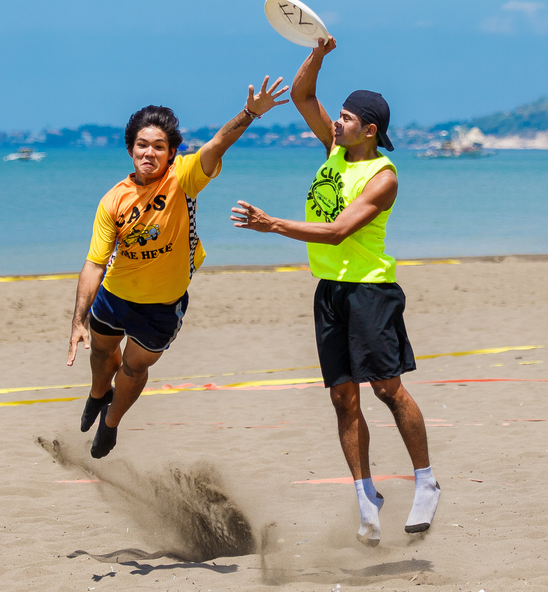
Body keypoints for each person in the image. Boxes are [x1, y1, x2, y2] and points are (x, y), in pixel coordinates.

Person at [230, 38, 440, 545]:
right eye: (338, 115)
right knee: (344, 399)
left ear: (370, 130)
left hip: (371, 291)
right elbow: (303, 95)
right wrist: (318, 52)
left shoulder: (381, 175)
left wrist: (273, 224)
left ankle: (426, 481)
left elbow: (339, 230)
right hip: (329, 292)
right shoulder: (334, 149)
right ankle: (366, 494)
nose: (337, 122)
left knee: (386, 389)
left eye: (347, 118)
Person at [67, 76, 289, 459]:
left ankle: (111, 422)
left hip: (161, 306)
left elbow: (218, 143)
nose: (149, 153)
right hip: (114, 296)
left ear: (171, 153)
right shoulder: (112, 201)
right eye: (141, 146)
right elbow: (94, 264)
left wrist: (250, 113)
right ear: (130, 149)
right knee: (102, 357)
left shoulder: (184, 178)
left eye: (158, 147)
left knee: (134, 370)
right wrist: (77, 319)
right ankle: (96, 393)